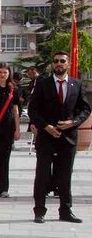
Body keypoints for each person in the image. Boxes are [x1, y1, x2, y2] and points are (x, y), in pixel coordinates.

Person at [29, 51, 91, 224]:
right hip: (46, 137)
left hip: (68, 138)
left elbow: (85, 109)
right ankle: (39, 211)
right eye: (55, 61)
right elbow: (33, 109)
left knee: (65, 176)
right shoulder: (43, 84)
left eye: (62, 61)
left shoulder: (76, 85)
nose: (58, 64)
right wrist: (46, 127)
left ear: (68, 64)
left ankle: (65, 211)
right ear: (52, 65)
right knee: (42, 175)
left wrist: (73, 122)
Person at [0, 62, 21, 198]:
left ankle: (4, 188)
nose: (2, 75)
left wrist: (17, 129)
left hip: (8, 128)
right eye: (0, 72)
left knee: (5, 158)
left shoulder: (13, 90)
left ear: (9, 74)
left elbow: (16, 110)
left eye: (5, 72)